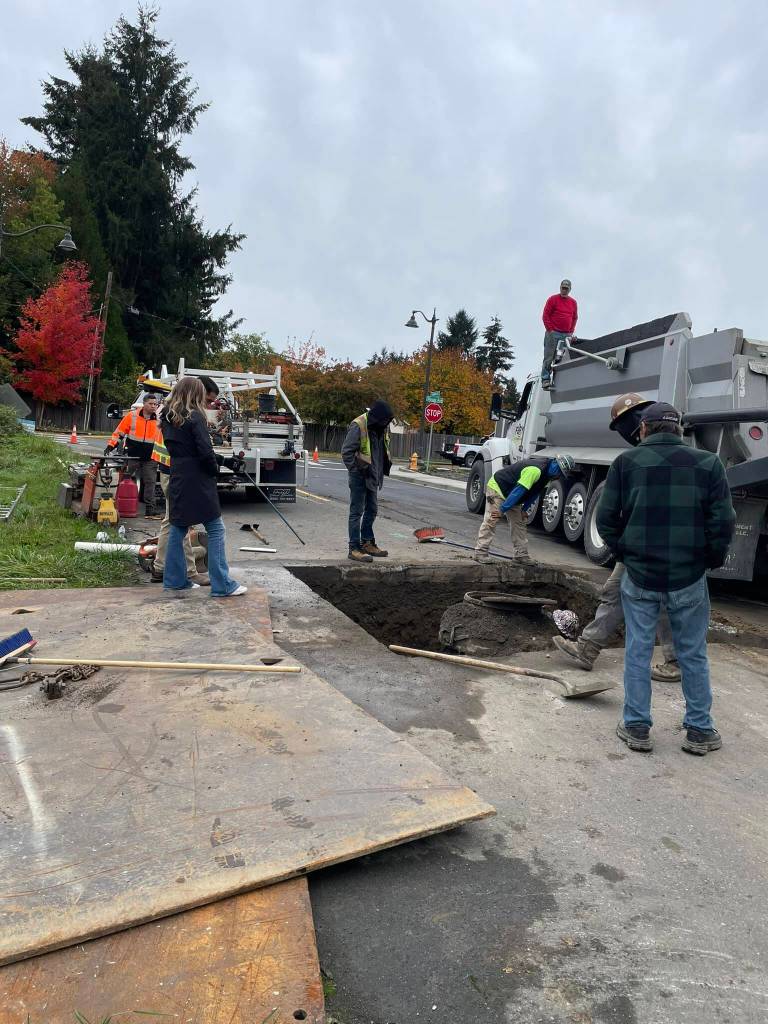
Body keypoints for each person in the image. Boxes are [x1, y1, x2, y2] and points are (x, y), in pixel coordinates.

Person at [596, 402, 735, 756]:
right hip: (688, 576)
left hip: (640, 575)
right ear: (680, 429)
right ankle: (700, 731)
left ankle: (637, 727)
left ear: (643, 430)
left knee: (638, 650)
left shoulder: (625, 464)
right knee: (692, 654)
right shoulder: (709, 464)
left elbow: (607, 519)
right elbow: (723, 523)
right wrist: (708, 560)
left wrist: (626, 553)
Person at [551, 393, 680, 682]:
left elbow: (610, 515)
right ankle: (587, 649)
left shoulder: (637, 461)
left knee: (660, 600)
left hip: (653, 547)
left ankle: (676, 661)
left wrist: (622, 546)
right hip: (647, 546)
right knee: (616, 591)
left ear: (643, 425)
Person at [160, 376, 246, 597]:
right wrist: (215, 470)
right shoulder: (196, 417)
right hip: (198, 480)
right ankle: (222, 585)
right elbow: (204, 452)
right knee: (216, 529)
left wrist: (224, 461)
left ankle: (175, 581)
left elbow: (188, 449)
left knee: (178, 529)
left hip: (179, 476)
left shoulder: (167, 417)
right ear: (195, 394)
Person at [150, 376, 221, 586]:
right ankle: (174, 570)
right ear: (197, 392)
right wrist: (212, 469)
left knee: (177, 522)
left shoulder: (169, 411)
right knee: (177, 523)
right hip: (176, 472)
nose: (207, 405)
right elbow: (201, 449)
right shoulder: (188, 414)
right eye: (207, 400)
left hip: (172, 470)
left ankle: (170, 570)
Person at [474, 454, 575, 563]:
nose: (558, 475)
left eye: (561, 473)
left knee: (519, 523)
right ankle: (480, 553)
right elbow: (519, 490)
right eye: (559, 471)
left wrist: (524, 510)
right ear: (555, 462)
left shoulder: (548, 476)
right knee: (492, 519)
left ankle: (521, 555)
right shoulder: (535, 470)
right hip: (498, 488)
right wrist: (501, 510)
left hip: (512, 495)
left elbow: (535, 493)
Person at [341, 399, 393, 562]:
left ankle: (367, 543)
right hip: (360, 476)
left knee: (372, 510)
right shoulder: (359, 425)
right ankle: (354, 548)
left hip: (373, 475)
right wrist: (357, 471)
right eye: (384, 421)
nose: (386, 424)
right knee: (357, 512)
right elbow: (346, 452)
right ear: (377, 417)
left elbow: (379, 451)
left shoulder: (380, 428)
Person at [105, 393, 162, 518]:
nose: (153, 406)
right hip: (132, 455)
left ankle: (150, 509)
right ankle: (114, 503)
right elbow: (119, 432)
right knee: (124, 479)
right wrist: (111, 445)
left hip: (150, 457)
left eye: (155, 404)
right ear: (144, 404)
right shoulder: (132, 416)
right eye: (151, 404)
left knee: (150, 482)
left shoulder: (159, 420)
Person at [541, 279, 578, 387]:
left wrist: (571, 331)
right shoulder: (553, 299)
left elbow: (575, 317)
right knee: (549, 356)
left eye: (566, 288)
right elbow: (545, 315)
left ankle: (560, 380)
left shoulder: (573, 302)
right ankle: (545, 379)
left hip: (566, 335)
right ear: (560, 287)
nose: (564, 290)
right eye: (563, 287)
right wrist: (550, 330)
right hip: (553, 333)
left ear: (570, 289)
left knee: (562, 358)